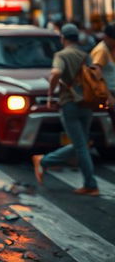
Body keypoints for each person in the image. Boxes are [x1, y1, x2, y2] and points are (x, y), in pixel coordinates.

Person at [32, 23, 99, 196]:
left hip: (69, 104)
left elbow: (55, 73)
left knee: (81, 145)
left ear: (63, 38)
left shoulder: (61, 55)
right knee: (82, 144)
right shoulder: (85, 55)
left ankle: (45, 161)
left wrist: (50, 94)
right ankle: (45, 161)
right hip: (88, 103)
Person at [90, 24, 115, 107]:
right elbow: (96, 73)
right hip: (109, 94)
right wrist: (109, 96)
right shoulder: (101, 51)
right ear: (106, 37)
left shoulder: (110, 49)